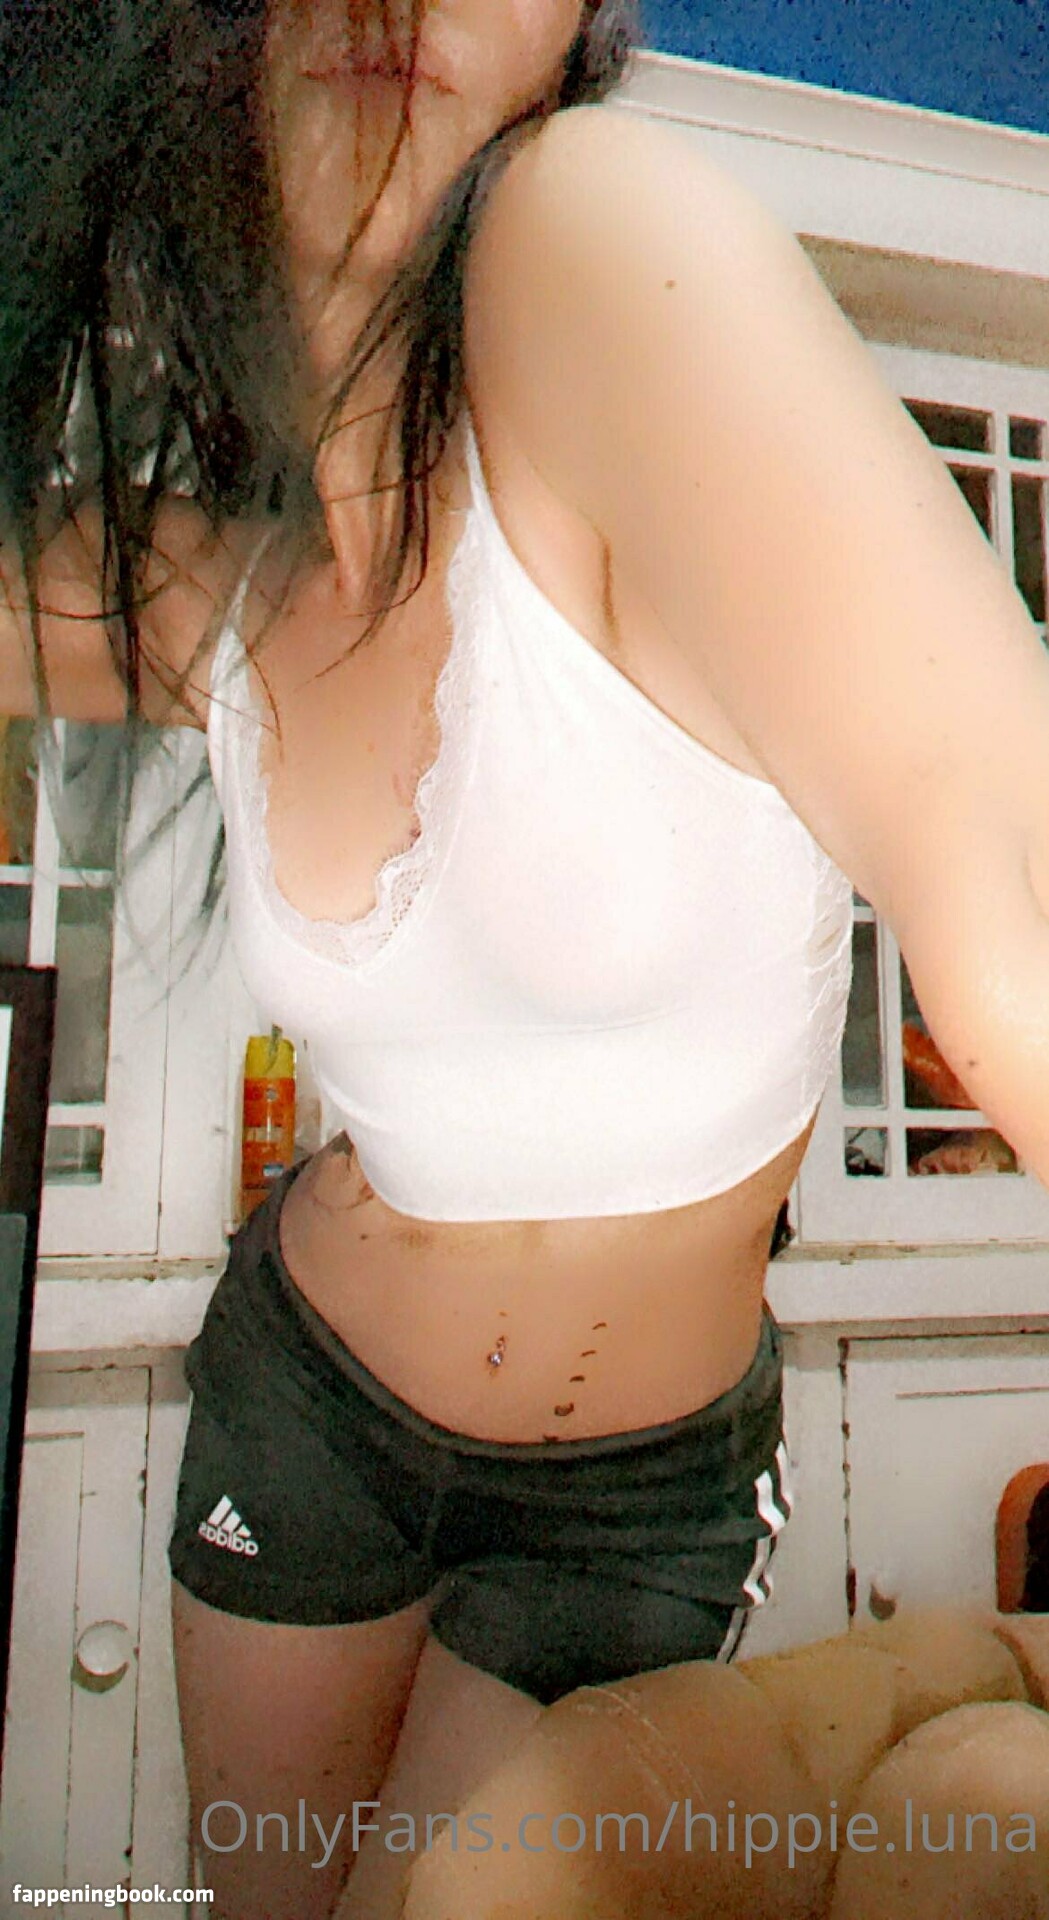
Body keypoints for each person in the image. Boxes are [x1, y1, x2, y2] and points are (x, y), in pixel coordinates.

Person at [5, 3, 1049, 1916]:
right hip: (306, 1409)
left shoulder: (592, 242)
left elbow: (1017, 887)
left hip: (634, 1495)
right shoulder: (209, 582)